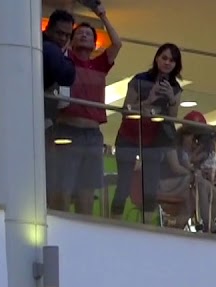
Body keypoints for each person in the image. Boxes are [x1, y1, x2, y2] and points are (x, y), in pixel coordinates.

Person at [48, 2, 121, 216]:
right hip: (67, 131)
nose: (84, 36)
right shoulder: (65, 59)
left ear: (94, 41)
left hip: (92, 135)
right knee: (63, 187)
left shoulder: (99, 65)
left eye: (89, 34)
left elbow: (117, 43)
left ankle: (84, 234)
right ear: (71, 38)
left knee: (87, 190)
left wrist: (102, 15)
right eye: (79, 33)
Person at [108, 43, 184, 221]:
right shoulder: (140, 80)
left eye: (172, 60)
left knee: (150, 186)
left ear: (176, 65)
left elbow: (172, 118)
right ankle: (114, 224)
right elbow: (126, 109)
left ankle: (147, 228)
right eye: (164, 58)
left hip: (155, 140)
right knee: (124, 185)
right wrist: (149, 100)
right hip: (130, 134)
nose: (167, 63)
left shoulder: (175, 87)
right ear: (157, 58)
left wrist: (172, 99)